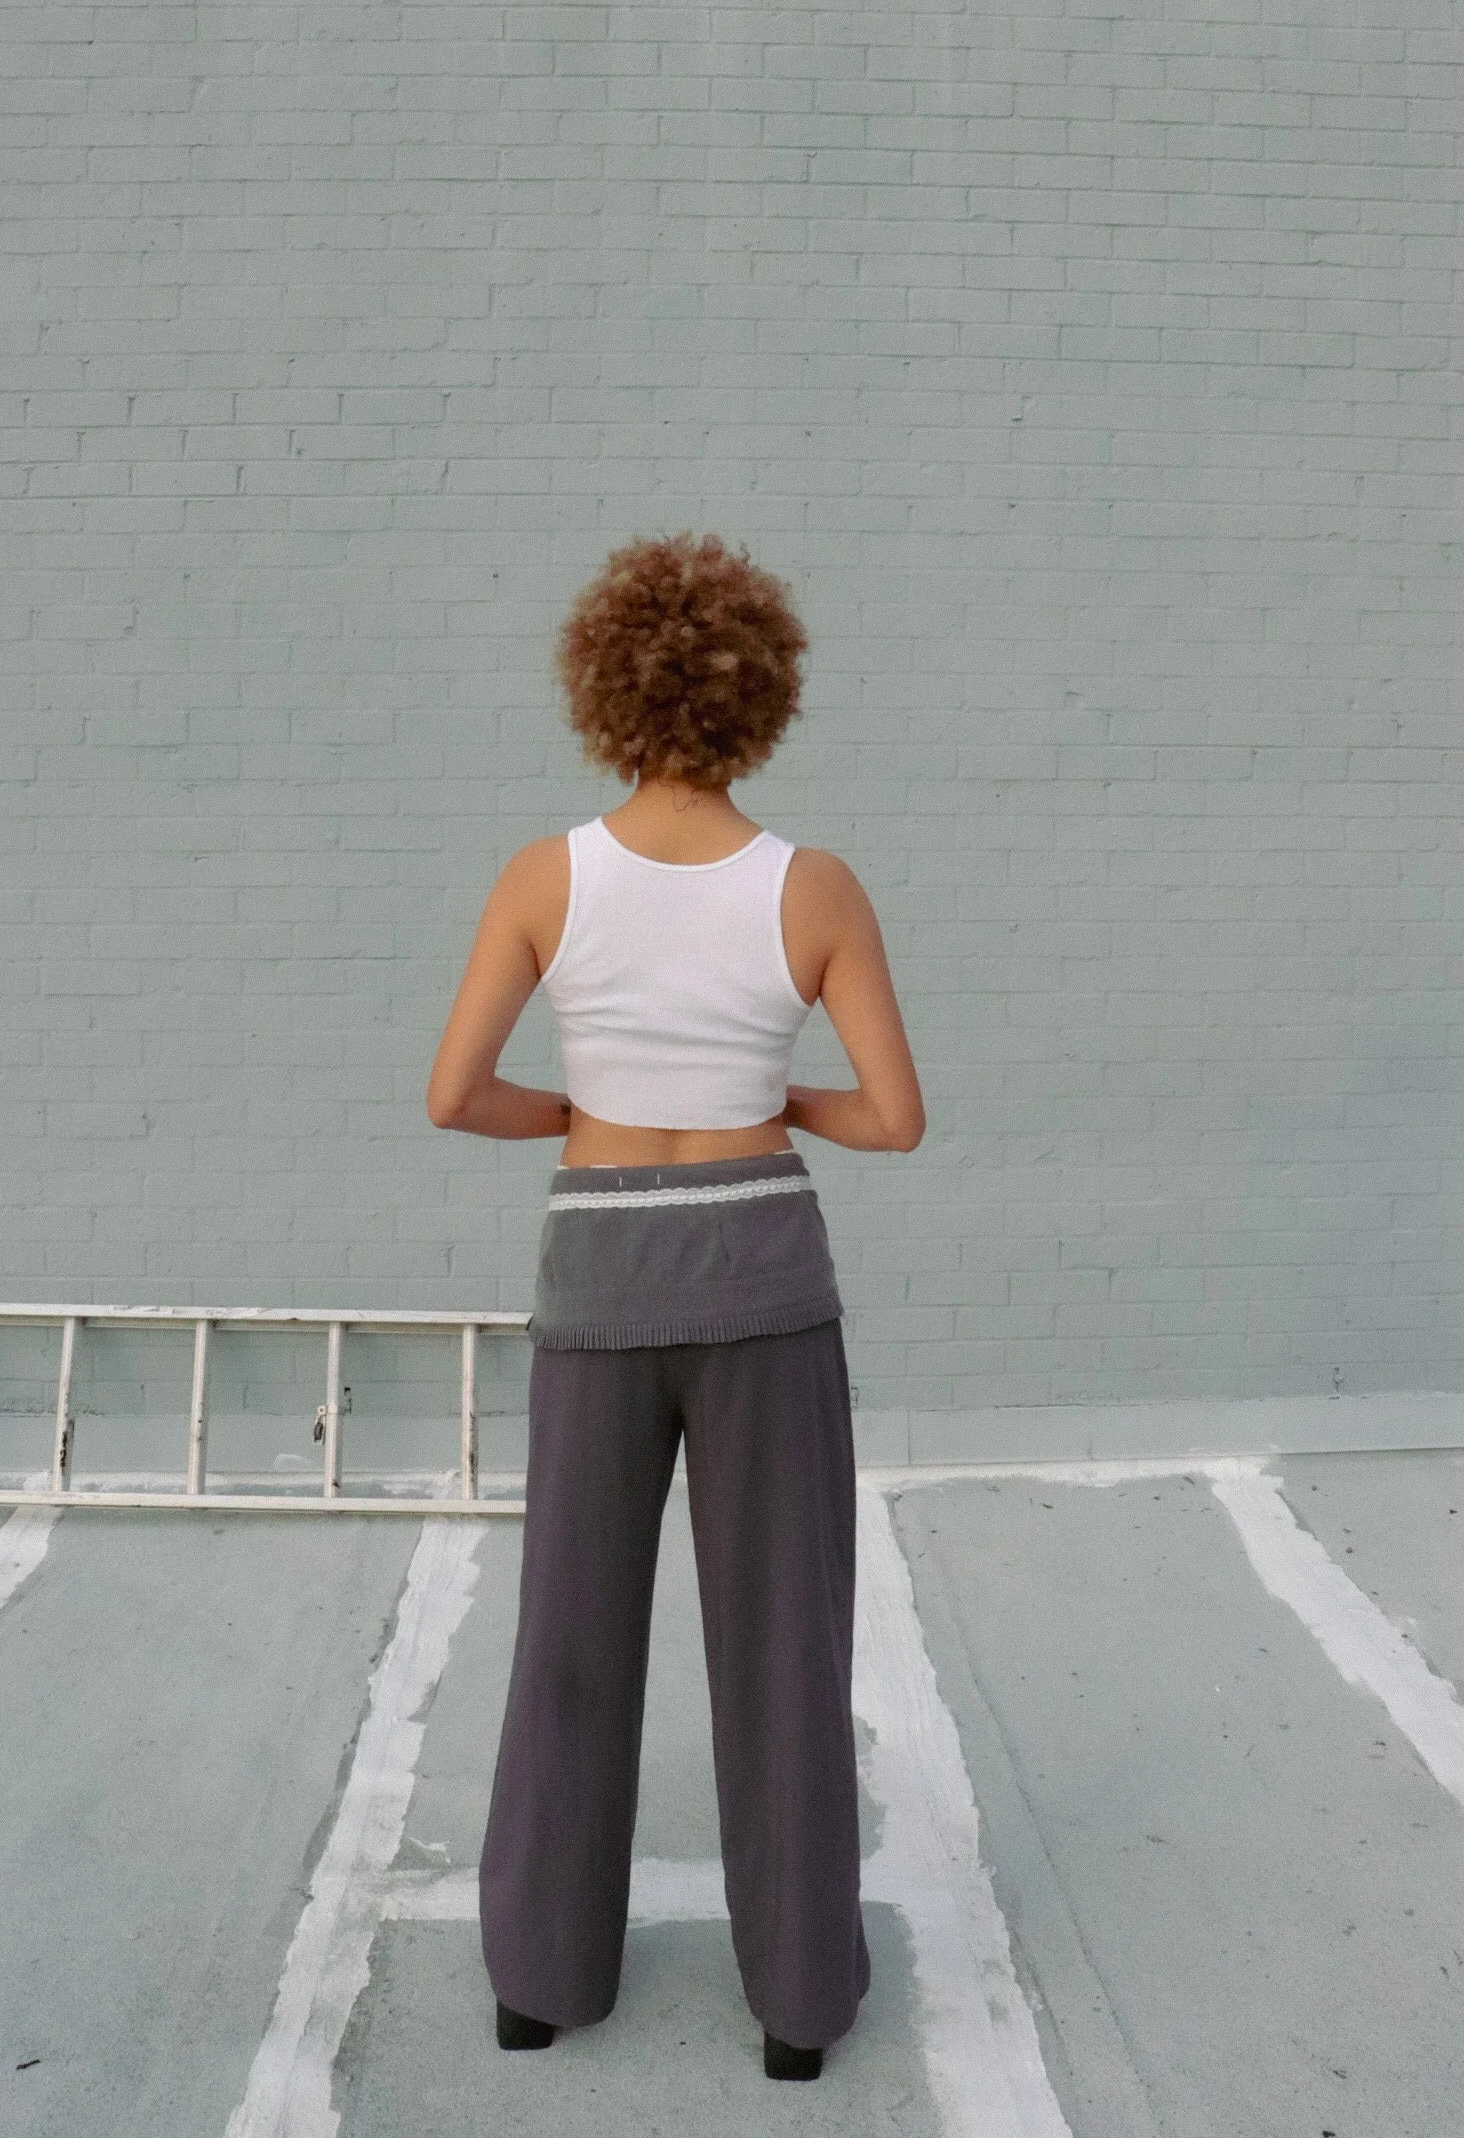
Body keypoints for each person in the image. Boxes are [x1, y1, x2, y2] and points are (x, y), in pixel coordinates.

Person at [426, 532, 924, 2080]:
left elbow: (455, 1096)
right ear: (760, 695)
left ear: (607, 692)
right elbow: (894, 1119)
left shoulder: (544, 876)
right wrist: (776, 1096)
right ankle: (799, 2010)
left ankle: (538, 1982)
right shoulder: (813, 886)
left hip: (601, 1279)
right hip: (764, 1277)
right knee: (785, 1647)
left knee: (570, 1636)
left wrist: (587, 1112)